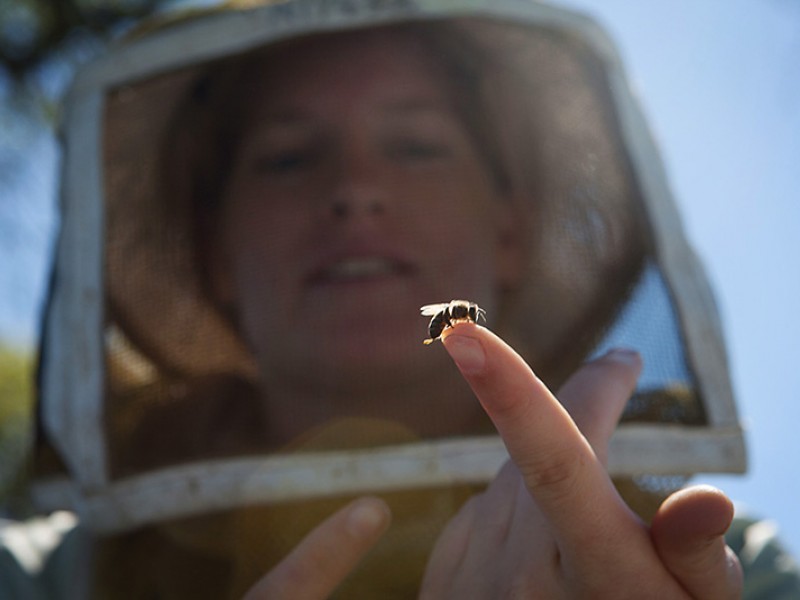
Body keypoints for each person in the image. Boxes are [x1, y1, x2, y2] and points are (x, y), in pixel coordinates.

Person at [9, 0, 799, 598]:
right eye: (288, 157)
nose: (354, 190)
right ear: (216, 254)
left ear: (510, 233)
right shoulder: (44, 574)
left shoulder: (721, 566)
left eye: (417, 146)